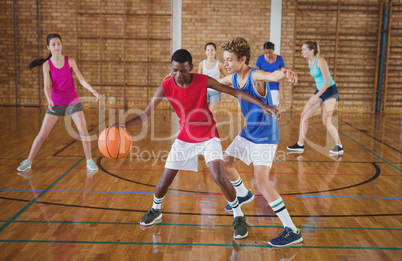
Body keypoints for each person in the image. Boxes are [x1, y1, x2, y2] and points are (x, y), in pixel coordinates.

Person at [118, 49, 291, 239]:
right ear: (171, 68)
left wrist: (264, 106)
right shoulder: (165, 86)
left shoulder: (202, 80)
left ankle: (239, 215)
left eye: (183, 70)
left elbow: (235, 92)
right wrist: (122, 125)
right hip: (185, 137)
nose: (179, 74)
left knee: (218, 175)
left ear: (190, 68)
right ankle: (155, 209)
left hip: (208, 134)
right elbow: (145, 114)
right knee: (164, 181)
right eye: (175, 70)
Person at [218, 37, 303, 247]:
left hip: (266, 136)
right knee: (225, 163)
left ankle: (291, 230)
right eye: (225, 60)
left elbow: (272, 74)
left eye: (229, 60)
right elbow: (210, 83)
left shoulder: (254, 74)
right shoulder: (233, 78)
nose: (226, 64)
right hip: (249, 132)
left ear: (242, 59)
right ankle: (243, 193)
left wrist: (286, 72)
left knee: (262, 182)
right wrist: (183, 78)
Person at [17, 34, 99, 172]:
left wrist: (93, 90)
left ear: (62, 45)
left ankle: (89, 161)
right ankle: (28, 161)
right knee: (42, 134)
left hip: (72, 101)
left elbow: (81, 79)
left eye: (59, 44)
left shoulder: (70, 61)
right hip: (55, 103)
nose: (57, 47)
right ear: (48, 47)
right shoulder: (46, 65)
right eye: (53, 44)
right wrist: (49, 100)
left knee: (84, 132)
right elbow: (47, 86)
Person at [287, 41, 343, 155]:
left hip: (330, 91)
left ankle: (339, 146)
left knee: (326, 121)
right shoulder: (310, 62)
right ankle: (300, 144)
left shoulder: (321, 61)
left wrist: (316, 97)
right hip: (320, 91)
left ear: (312, 50)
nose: (302, 51)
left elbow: (327, 82)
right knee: (304, 115)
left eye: (304, 49)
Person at [198, 42, 228, 113]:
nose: (210, 52)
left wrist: (226, 90)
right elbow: (198, 80)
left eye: (212, 50)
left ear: (215, 52)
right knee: (203, 113)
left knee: (211, 114)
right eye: (208, 50)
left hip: (215, 91)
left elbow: (227, 78)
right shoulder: (201, 64)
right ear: (205, 52)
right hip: (204, 91)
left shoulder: (220, 64)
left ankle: (212, 124)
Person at [255, 42, 286, 107]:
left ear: (273, 50)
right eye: (266, 52)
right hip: (263, 87)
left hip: (274, 87)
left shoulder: (280, 59)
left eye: (270, 52)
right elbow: (256, 74)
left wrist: (282, 92)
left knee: (274, 108)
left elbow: (282, 76)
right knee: (263, 108)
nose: (268, 54)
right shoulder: (260, 59)